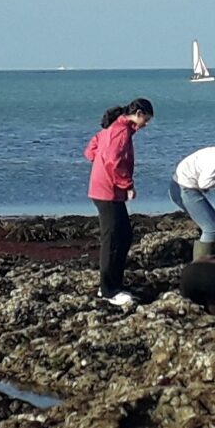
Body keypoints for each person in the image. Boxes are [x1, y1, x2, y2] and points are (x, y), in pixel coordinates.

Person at [84, 98, 154, 306]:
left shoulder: (113, 127)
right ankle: (108, 290)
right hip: (107, 191)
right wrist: (127, 185)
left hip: (104, 189)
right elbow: (113, 161)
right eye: (146, 120)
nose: (146, 125)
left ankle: (113, 285)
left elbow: (91, 150)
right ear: (138, 114)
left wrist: (98, 161)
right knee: (113, 240)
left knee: (123, 236)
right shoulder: (120, 131)